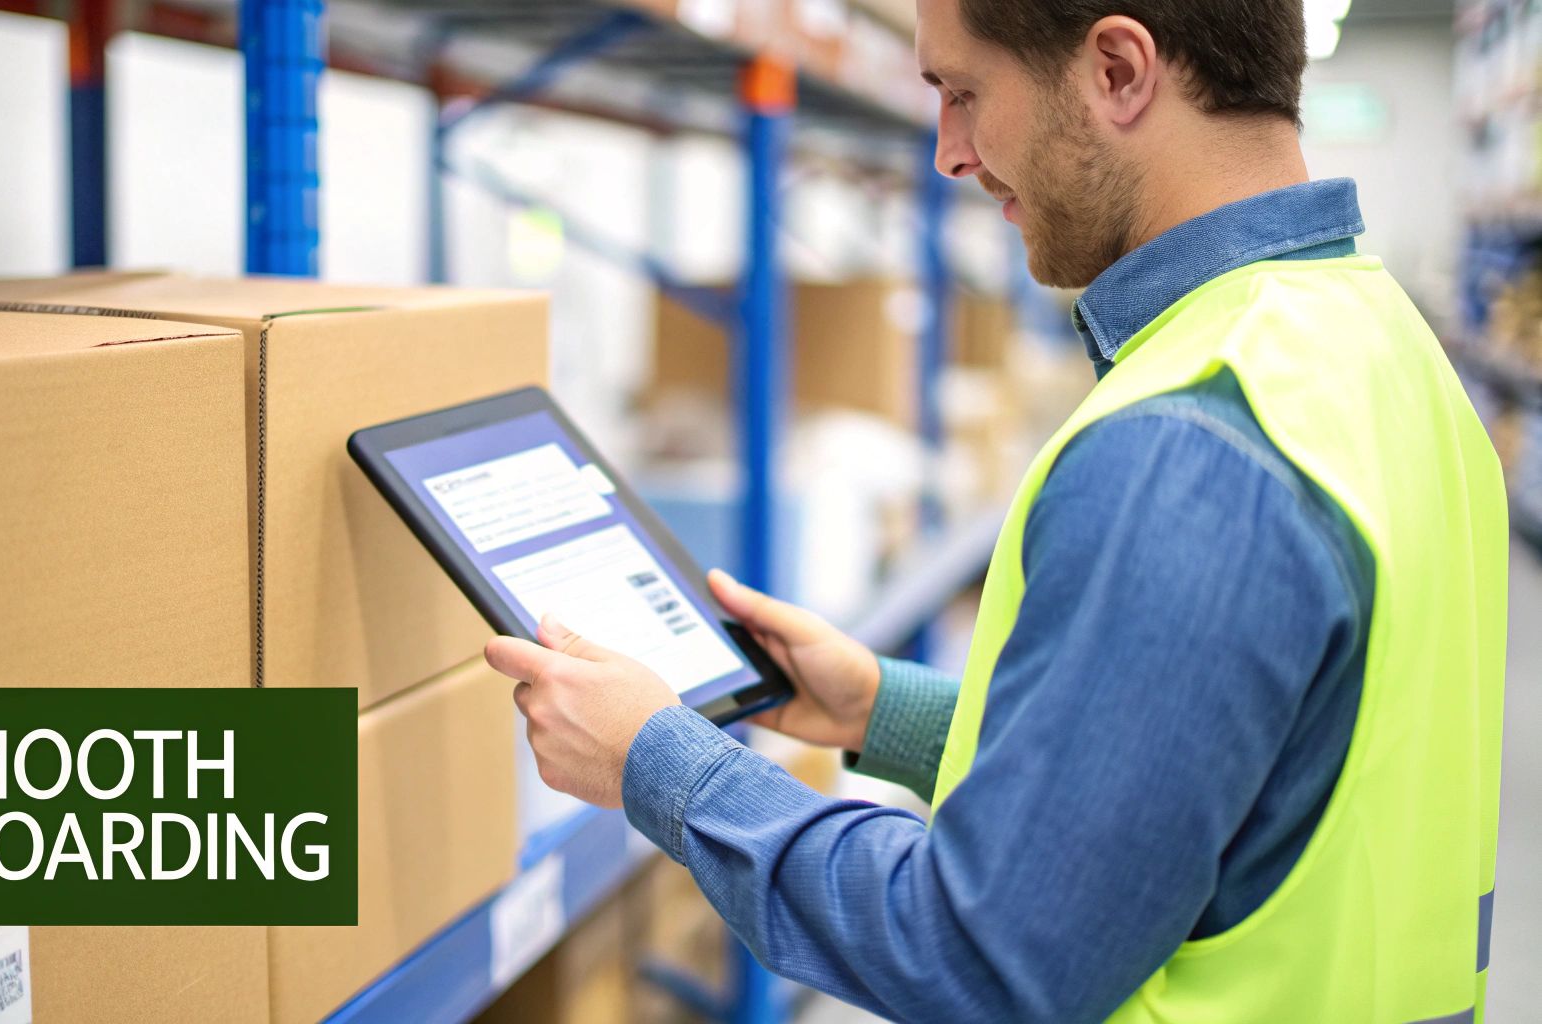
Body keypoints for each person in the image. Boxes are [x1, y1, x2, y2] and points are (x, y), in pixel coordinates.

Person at [483, 0, 1510, 1019]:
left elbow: (982, 958)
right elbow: (1228, 782)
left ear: (1115, 70)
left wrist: (660, 763)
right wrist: (878, 710)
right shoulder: (1378, 347)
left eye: (963, 94)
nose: (947, 154)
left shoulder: (1187, 443)